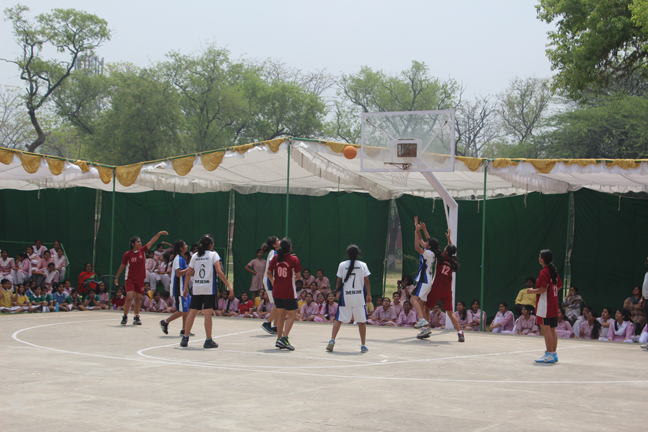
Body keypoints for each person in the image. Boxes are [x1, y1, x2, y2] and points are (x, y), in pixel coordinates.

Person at [181, 235, 233, 349]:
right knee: (208, 314)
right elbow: (219, 271)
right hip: (209, 288)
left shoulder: (195, 255)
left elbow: (189, 273)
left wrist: (185, 288)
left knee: (192, 312)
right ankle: (208, 340)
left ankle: (185, 337)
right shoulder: (213, 255)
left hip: (197, 287)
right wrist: (229, 285)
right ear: (210, 244)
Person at [114, 230, 168, 326]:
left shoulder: (142, 251)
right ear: (133, 244)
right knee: (129, 297)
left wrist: (158, 234)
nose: (140, 243)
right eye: (138, 242)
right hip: (130, 278)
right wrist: (117, 277)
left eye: (140, 241)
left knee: (138, 298)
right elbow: (122, 266)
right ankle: (125, 316)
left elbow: (151, 242)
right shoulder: (127, 254)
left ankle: (136, 317)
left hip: (139, 279)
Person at [420, 227, 465, 342]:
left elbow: (431, 242)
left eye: (445, 248)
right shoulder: (453, 262)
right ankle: (460, 333)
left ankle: (426, 329)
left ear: (446, 252)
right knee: (450, 313)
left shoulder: (441, 257)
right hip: (447, 291)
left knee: (427, 308)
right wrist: (449, 239)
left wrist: (424, 229)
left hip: (437, 288)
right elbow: (451, 251)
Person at [326, 244, 372, 353]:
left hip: (345, 297)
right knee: (361, 322)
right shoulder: (363, 265)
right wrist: (368, 294)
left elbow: (339, 281)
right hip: (359, 298)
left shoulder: (342, 265)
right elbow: (367, 282)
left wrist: (338, 292)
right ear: (358, 254)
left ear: (347, 254)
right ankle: (363, 345)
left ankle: (332, 340)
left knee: (338, 319)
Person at [527, 249, 563, 363]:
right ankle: (553, 353)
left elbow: (542, 289)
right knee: (552, 329)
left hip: (545, 306)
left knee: (545, 329)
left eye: (539, 256)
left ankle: (549, 353)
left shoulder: (544, 272)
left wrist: (531, 291)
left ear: (542, 259)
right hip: (553, 304)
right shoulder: (554, 271)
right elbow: (559, 286)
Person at [267, 237, 302, 350]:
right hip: (288, 291)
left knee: (281, 315)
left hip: (277, 291)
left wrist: (273, 282)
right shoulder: (294, 259)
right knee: (292, 315)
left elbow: (268, 272)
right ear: (290, 247)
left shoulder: (276, 258)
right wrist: (292, 279)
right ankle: (284, 338)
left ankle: (279, 339)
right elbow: (298, 276)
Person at [160, 240, 192, 337]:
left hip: (184, 288)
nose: (186, 245)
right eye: (185, 244)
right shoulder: (178, 259)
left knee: (187, 309)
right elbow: (178, 273)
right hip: (179, 288)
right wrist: (189, 268)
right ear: (181, 248)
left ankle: (184, 330)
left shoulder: (182, 258)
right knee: (182, 310)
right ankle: (165, 322)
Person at [410, 217, 436, 329]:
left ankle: (422, 320)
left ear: (429, 246)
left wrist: (416, 232)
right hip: (427, 281)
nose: (424, 242)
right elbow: (421, 239)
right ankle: (425, 329)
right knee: (420, 304)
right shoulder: (431, 252)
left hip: (423, 280)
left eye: (426, 242)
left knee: (413, 299)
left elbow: (417, 247)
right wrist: (419, 229)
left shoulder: (428, 253)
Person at [260, 236, 280, 335]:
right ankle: (267, 323)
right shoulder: (274, 253)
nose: (280, 241)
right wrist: (272, 281)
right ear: (274, 245)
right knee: (279, 304)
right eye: (278, 240)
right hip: (270, 281)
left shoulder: (275, 252)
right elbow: (273, 265)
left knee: (279, 304)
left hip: (272, 280)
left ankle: (275, 326)